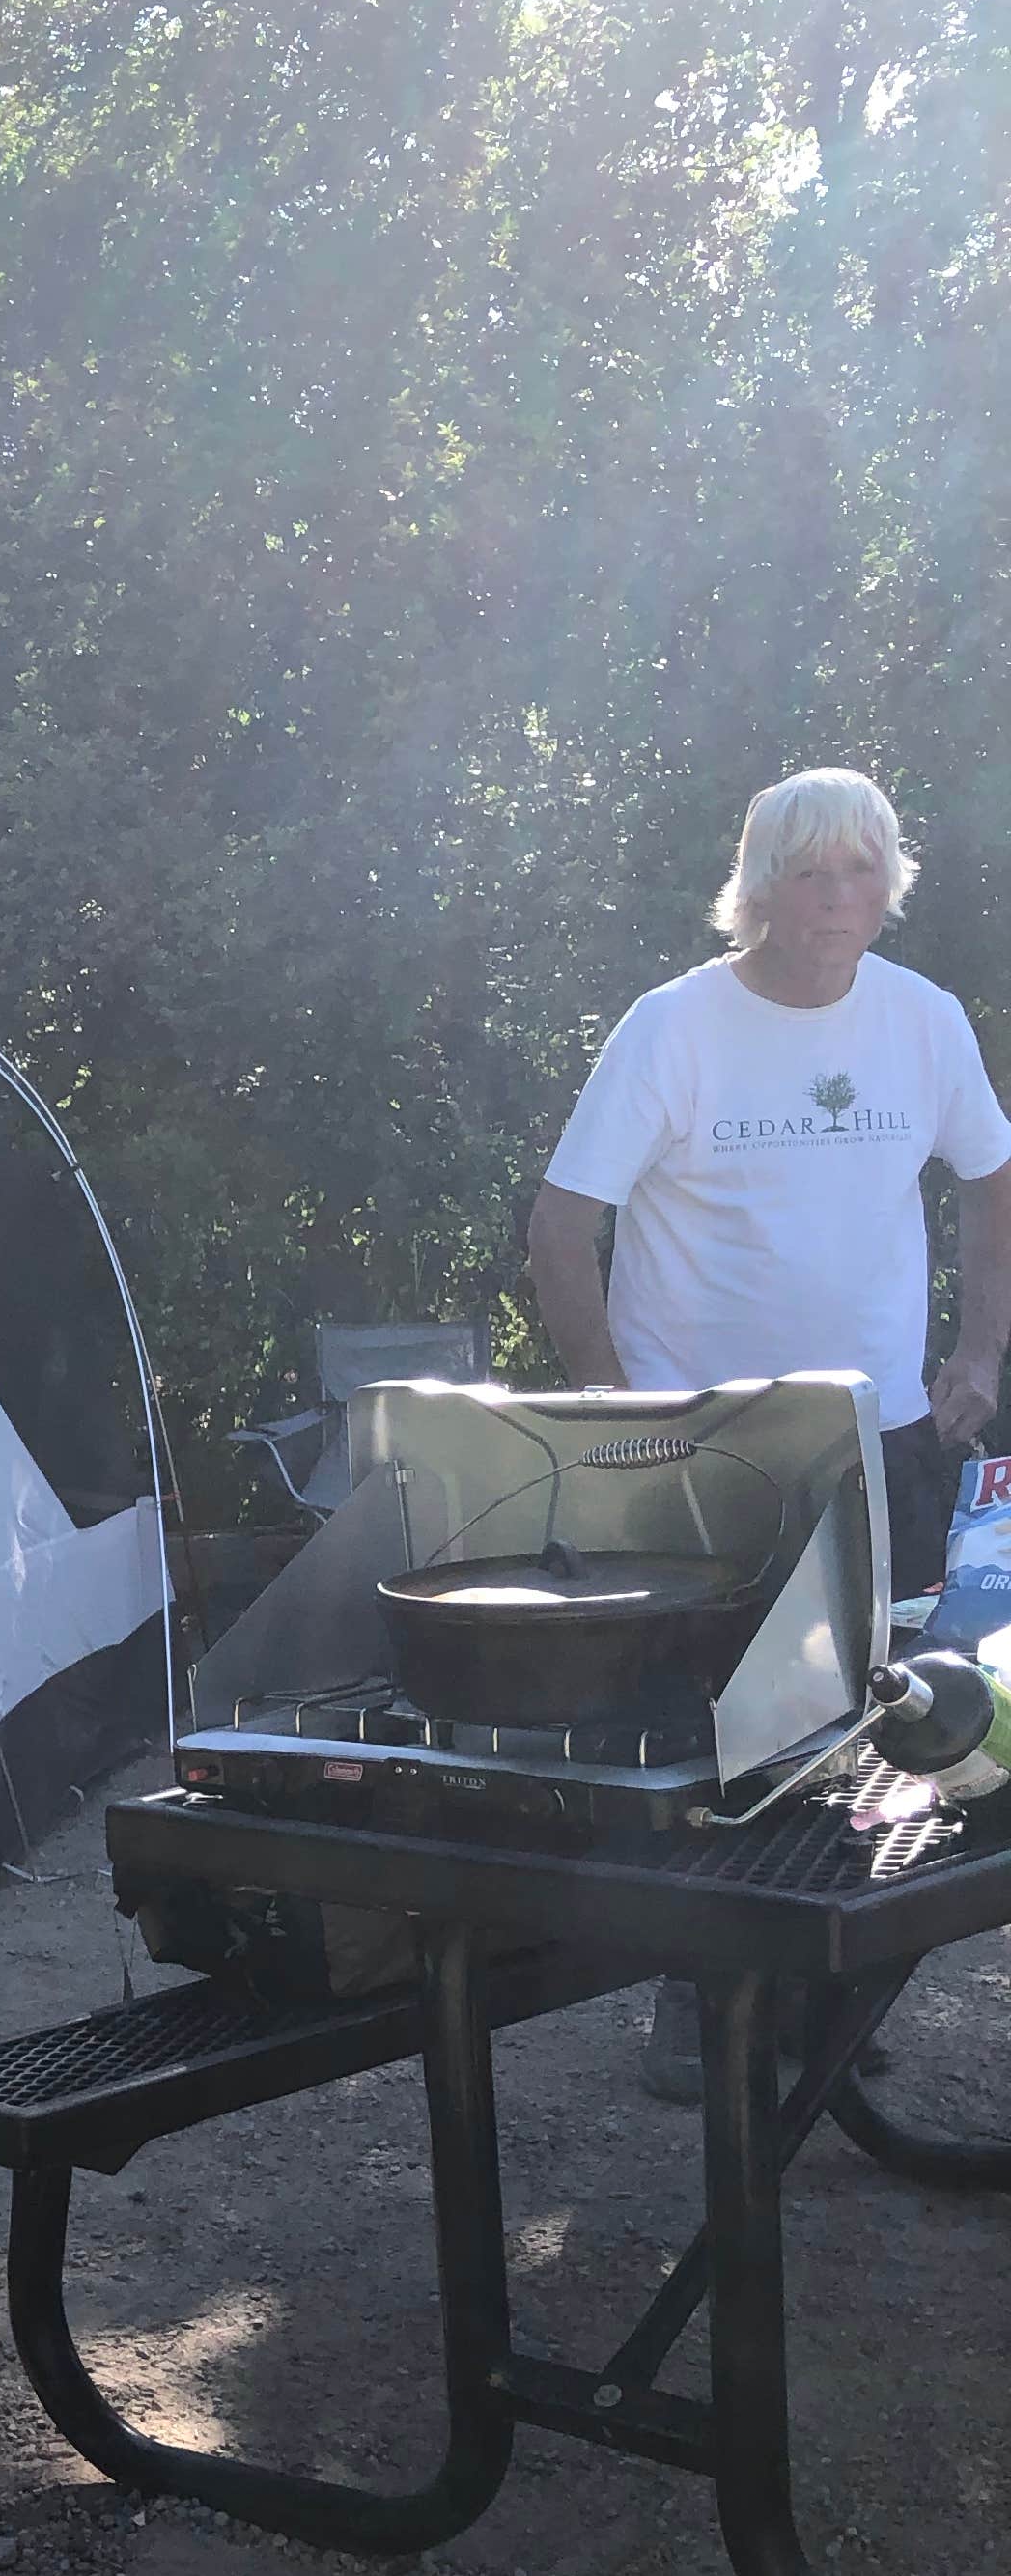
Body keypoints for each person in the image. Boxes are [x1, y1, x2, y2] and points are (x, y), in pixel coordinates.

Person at [525, 767, 1011, 2100]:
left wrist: (978, 1350)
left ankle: (835, 1988)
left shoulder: (921, 1022)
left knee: (877, 1718)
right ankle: (702, 2003)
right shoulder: (675, 1028)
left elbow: (993, 1175)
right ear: (760, 884)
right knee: (710, 1734)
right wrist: (618, 1409)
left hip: (880, 1434)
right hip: (708, 1448)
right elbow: (562, 1229)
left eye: (862, 872)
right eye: (811, 874)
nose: (839, 900)